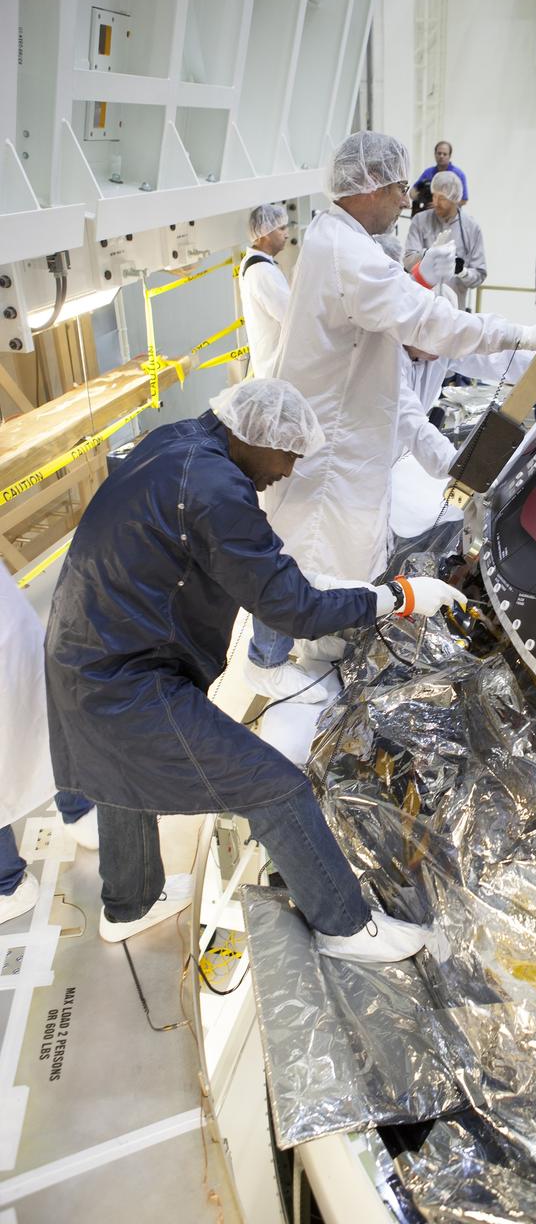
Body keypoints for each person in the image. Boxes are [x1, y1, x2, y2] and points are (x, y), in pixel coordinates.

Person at [44, 379, 466, 963]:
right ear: (254, 434)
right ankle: (344, 927)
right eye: (288, 453)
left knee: (124, 774)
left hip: (79, 653)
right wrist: (396, 597)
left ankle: (129, 905)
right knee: (273, 785)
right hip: (127, 681)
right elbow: (294, 608)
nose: (288, 470)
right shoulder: (217, 490)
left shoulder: (178, 444)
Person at [252, 129, 536, 697]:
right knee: (315, 575)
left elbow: (405, 404)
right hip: (333, 467)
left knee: (326, 572)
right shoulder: (352, 257)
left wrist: (452, 462)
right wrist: (524, 334)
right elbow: (433, 327)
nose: (407, 201)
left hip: (346, 458)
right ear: (371, 187)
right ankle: (298, 679)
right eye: (400, 189)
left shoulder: (334, 244)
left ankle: (316, 667)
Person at [1, 566, 97, 927]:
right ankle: (81, 811)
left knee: (37, 716)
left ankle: (6, 887)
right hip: (9, 631)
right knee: (39, 716)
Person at [404, 171, 486, 310]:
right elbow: (408, 262)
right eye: (434, 196)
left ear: (454, 198)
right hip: (421, 309)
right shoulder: (420, 221)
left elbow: (479, 274)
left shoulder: (471, 228)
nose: (435, 202)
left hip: (455, 312)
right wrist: (428, 254)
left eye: (441, 198)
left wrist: (462, 272)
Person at [238, 203, 291, 379]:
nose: (287, 234)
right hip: (276, 369)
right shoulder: (263, 271)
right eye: (281, 228)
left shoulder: (252, 262)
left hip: (269, 366)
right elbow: (291, 317)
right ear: (265, 232)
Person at [409, 140, 469, 212]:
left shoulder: (458, 174)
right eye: (439, 153)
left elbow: (464, 200)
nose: (441, 156)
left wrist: (442, 204)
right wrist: (421, 198)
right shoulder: (428, 172)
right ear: (435, 154)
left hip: (450, 217)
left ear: (450, 156)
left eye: (444, 154)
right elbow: (412, 192)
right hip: (429, 214)